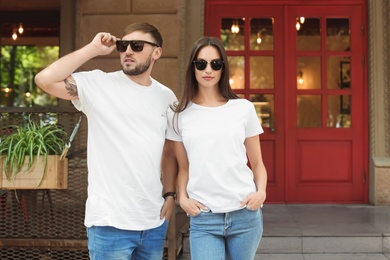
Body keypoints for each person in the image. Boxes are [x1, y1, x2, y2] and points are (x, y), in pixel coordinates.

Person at [35, 22, 178, 260]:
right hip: (110, 223)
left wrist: (170, 195)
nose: (128, 51)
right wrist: (92, 49)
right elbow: (44, 80)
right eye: (123, 45)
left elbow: (169, 150)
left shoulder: (166, 96)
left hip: (153, 222)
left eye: (137, 45)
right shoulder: (99, 84)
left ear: (156, 52)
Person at [167, 36, 267, 260]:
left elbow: (258, 164)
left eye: (216, 63)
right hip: (204, 217)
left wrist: (261, 192)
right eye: (201, 63)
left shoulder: (243, 108)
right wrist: (182, 197)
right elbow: (184, 167)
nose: (208, 69)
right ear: (193, 67)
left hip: (245, 215)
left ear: (223, 68)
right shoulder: (178, 114)